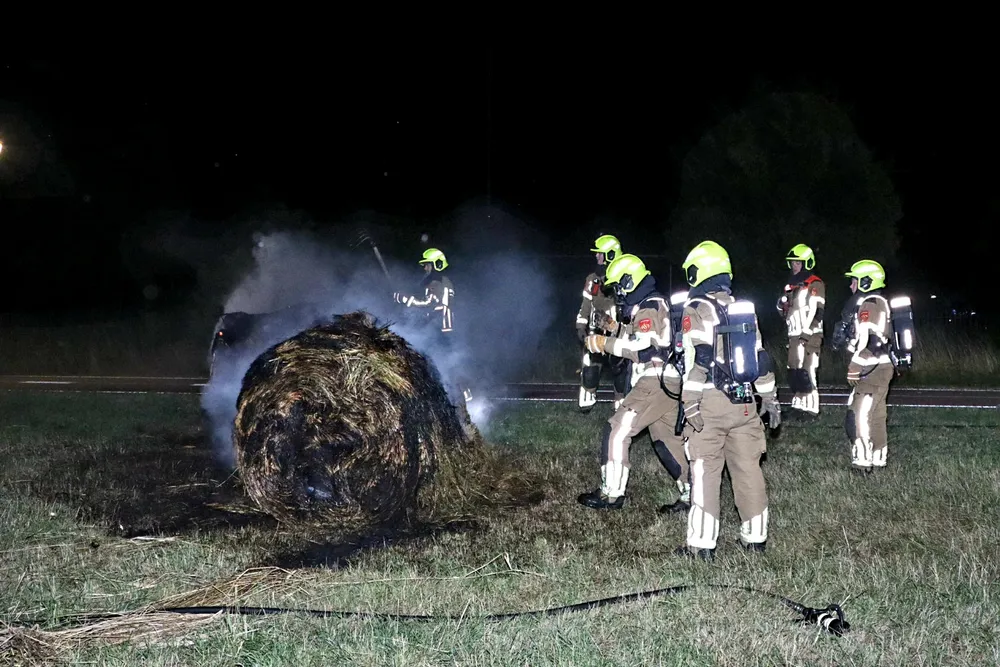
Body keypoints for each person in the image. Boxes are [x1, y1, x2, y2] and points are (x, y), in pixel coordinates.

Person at [675, 240, 781, 561]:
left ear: (700, 271)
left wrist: (689, 401)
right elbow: (760, 358)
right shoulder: (743, 309)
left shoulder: (697, 308)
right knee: (748, 468)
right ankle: (756, 539)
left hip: (710, 403)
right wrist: (770, 398)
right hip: (746, 403)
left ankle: (701, 546)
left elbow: (701, 358)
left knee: (705, 470)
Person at [576, 253, 690, 513]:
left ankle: (611, 494)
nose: (617, 294)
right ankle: (692, 493)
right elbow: (639, 336)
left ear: (629, 280)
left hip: (653, 380)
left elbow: (643, 349)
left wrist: (604, 343)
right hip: (666, 381)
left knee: (616, 431)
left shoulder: (649, 305)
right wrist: (612, 326)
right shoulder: (649, 304)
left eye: (619, 287)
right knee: (666, 442)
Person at [393, 247, 473, 409]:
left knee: (442, 363)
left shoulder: (435, 282)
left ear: (436, 264)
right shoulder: (446, 281)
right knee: (452, 363)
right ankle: (466, 399)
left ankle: (459, 401)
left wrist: (406, 299)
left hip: (439, 329)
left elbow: (428, 303)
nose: (425, 268)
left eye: (427, 264)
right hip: (447, 328)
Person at [841, 260, 895, 473]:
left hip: (872, 369)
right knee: (877, 416)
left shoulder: (870, 304)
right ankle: (879, 459)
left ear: (866, 281)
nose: (851, 285)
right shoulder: (879, 302)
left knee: (859, 415)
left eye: (854, 280)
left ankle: (862, 462)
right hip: (883, 367)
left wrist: (856, 364)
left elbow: (873, 341)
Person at [575, 234, 628, 412]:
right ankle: (587, 401)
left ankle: (621, 407)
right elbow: (586, 304)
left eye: (600, 253)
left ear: (611, 255)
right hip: (596, 332)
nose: (597, 256)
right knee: (590, 370)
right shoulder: (593, 279)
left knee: (621, 372)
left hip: (618, 332)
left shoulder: (624, 278)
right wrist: (580, 327)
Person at [776, 244, 826, 419]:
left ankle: (811, 409)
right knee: (794, 371)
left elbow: (818, 311)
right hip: (794, 335)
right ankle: (798, 406)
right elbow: (786, 312)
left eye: (798, 262)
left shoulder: (815, 283)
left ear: (806, 263)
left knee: (807, 370)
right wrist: (781, 306)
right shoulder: (790, 286)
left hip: (809, 335)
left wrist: (806, 333)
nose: (794, 266)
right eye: (792, 263)